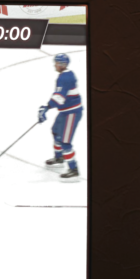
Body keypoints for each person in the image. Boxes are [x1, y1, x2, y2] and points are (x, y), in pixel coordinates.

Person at [38, 53, 83, 182]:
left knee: (65, 141)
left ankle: (73, 169)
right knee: (56, 131)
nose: (55, 65)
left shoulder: (65, 78)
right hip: (65, 111)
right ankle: (59, 157)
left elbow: (59, 97)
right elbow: (58, 95)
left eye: (57, 63)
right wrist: (46, 107)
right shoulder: (64, 75)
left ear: (62, 64)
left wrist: (46, 108)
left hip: (71, 113)